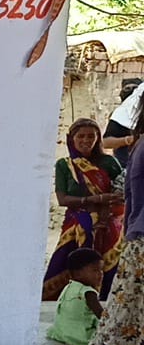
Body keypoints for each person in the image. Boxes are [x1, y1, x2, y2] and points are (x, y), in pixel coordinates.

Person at [42, 119, 124, 301]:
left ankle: (102, 300)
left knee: (107, 265)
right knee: (64, 260)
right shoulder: (64, 165)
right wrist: (93, 200)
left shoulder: (109, 163)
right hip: (76, 223)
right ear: (72, 139)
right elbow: (62, 199)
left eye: (91, 136)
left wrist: (105, 208)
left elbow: (121, 191)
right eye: (81, 136)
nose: (86, 140)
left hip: (107, 223)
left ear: (98, 139)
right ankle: (67, 299)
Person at [89, 119, 144, 345]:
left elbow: (131, 196)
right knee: (120, 315)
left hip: (137, 236)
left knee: (120, 314)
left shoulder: (139, 144)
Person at [46, 248, 104, 345]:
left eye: (101, 270)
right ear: (77, 273)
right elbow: (102, 316)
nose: (100, 274)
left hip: (60, 333)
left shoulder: (69, 286)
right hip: (80, 339)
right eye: (95, 270)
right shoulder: (88, 293)